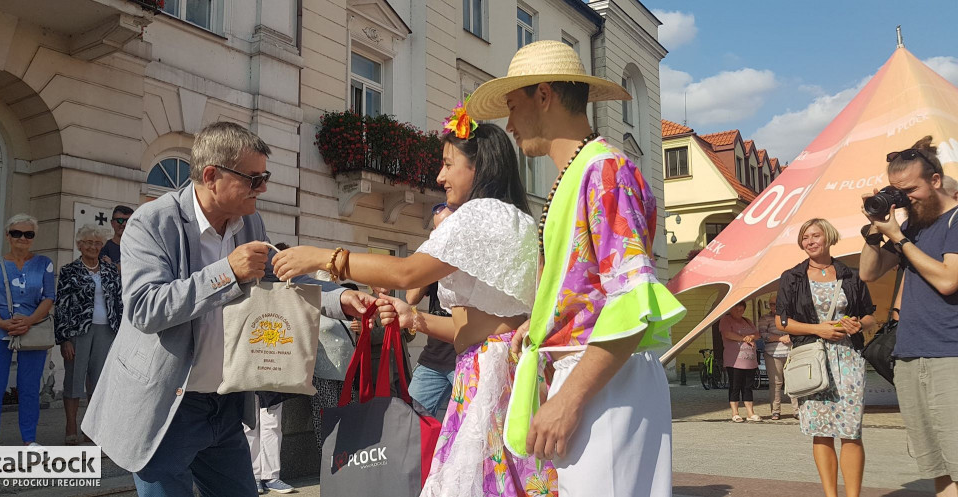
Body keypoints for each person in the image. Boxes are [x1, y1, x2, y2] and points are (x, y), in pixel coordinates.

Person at [81, 121, 374, 497]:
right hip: (165, 407)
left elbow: (279, 275)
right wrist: (227, 273)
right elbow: (145, 308)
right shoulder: (152, 222)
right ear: (211, 176)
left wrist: (339, 298)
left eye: (264, 177)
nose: (263, 188)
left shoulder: (249, 221)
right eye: (254, 179)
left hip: (224, 405)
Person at [272, 120, 557, 496]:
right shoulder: (518, 220)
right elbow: (483, 328)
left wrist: (325, 257)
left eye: (448, 164)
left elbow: (406, 272)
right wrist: (416, 319)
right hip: (507, 367)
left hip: (489, 373)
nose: (440, 176)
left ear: (478, 166)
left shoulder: (478, 215)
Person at [464, 40, 686, 496]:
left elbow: (632, 303)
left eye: (512, 105)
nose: (507, 124)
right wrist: (542, 323)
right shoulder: (584, 172)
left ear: (543, 96)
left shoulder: (603, 171)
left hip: (604, 382)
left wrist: (569, 398)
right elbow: (599, 292)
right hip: (598, 377)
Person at [859, 136, 958, 497]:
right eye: (897, 192)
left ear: (935, 180)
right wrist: (875, 229)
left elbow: (949, 280)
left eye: (911, 190)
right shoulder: (914, 227)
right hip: (911, 355)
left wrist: (899, 239)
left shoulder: (954, 221)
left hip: (950, 355)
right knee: (937, 466)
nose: (905, 199)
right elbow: (870, 273)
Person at [777, 218, 876, 497]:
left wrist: (859, 324)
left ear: (829, 237)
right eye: (805, 237)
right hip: (812, 359)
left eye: (815, 235)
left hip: (847, 358)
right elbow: (782, 322)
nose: (810, 241)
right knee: (821, 430)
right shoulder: (792, 277)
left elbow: (870, 315)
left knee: (851, 430)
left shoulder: (851, 275)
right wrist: (817, 329)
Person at [0, 213, 56, 446]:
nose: (22, 238)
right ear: (8, 236)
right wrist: (1, 323)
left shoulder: (44, 264)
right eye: (17, 233)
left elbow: (49, 297)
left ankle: (29, 439)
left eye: (28, 234)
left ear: (34, 237)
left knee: (30, 388)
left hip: (32, 331)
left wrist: (30, 320)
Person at [54, 224, 122, 445]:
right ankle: (71, 425)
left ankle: (92, 427)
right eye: (88, 243)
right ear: (79, 245)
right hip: (78, 332)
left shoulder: (110, 271)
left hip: (107, 330)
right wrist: (64, 338)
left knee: (98, 382)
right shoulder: (69, 271)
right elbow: (61, 306)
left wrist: (121, 333)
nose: (93, 247)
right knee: (74, 378)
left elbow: (119, 303)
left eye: (97, 243)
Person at [405, 203, 457, 415]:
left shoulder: (469, 257)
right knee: (413, 414)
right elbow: (411, 297)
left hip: (462, 356)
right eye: (434, 229)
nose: (438, 234)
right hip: (434, 357)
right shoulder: (434, 261)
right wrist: (431, 258)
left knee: (469, 421)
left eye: (443, 228)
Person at [310, 282, 359, 451]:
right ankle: (326, 457)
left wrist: (359, 329)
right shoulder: (314, 307)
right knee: (327, 417)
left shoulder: (349, 314)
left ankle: (347, 456)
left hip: (347, 373)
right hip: (323, 372)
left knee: (349, 417)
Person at [757, 294, 798, 420]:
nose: (774, 306)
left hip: (791, 352)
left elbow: (797, 330)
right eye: (772, 304)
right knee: (775, 383)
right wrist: (780, 338)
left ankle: (797, 411)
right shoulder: (765, 318)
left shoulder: (791, 317)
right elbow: (763, 334)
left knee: (794, 383)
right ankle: (775, 411)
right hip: (772, 354)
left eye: (777, 304)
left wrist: (790, 337)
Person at [244, 394, 294, 494]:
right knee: (250, 426)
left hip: (271, 384)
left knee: (272, 425)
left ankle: (271, 476)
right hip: (247, 383)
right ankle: (254, 476)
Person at [720, 301, 761, 423]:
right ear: (731, 309)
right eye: (736, 309)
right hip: (734, 360)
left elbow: (757, 334)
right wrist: (744, 338)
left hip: (749, 361)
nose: (739, 311)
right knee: (735, 386)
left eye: (741, 309)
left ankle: (750, 413)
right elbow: (727, 334)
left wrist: (752, 337)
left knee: (748, 386)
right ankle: (735, 413)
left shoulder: (747, 321)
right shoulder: (726, 320)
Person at [99, 205, 132, 269]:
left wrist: (112, 265)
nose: (124, 224)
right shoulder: (103, 248)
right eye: (120, 220)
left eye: (128, 221)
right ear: (112, 223)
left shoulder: (138, 248)